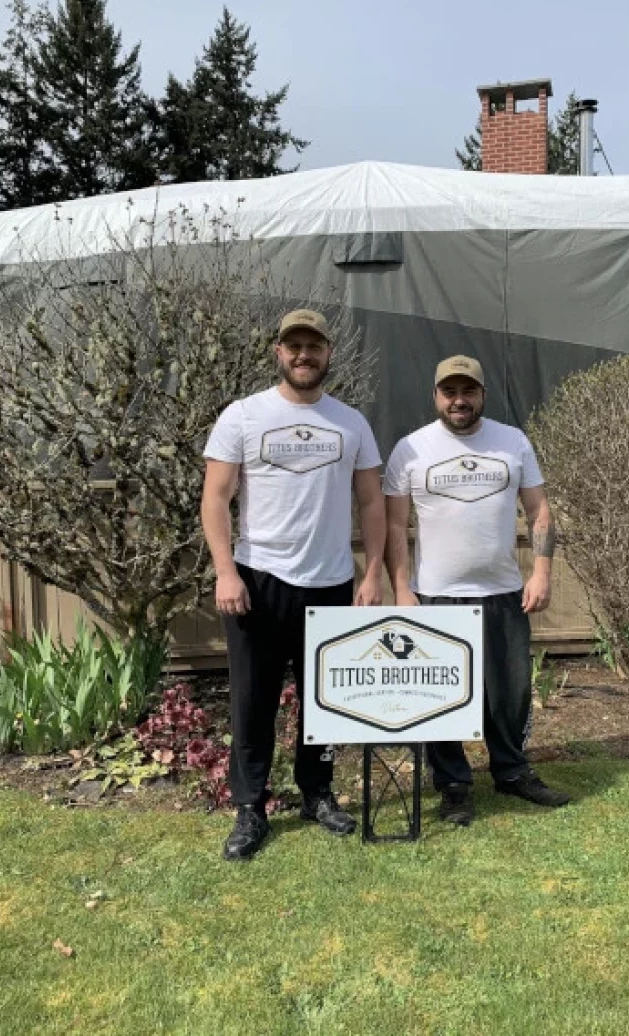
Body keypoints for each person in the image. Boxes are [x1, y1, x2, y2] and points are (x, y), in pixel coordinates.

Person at [202, 308, 385, 860]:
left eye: (314, 346)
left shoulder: (351, 422)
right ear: (278, 352)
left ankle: (318, 793)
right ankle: (250, 807)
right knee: (253, 701)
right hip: (258, 580)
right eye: (293, 346)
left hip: (331, 581)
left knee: (323, 700)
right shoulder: (243, 416)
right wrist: (226, 570)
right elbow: (215, 496)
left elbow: (373, 501)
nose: (304, 355)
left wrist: (372, 571)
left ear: (329, 353)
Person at [383, 355, 570, 826]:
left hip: (503, 592)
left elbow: (540, 511)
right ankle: (453, 787)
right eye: (450, 392)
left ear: (483, 394)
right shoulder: (411, 449)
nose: (459, 401)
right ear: (436, 396)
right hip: (436, 595)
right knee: (441, 696)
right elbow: (391, 524)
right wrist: (402, 589)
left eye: (468, 391)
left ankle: (510, 772)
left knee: (508, 694)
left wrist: (542, 571)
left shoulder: (513, 442)